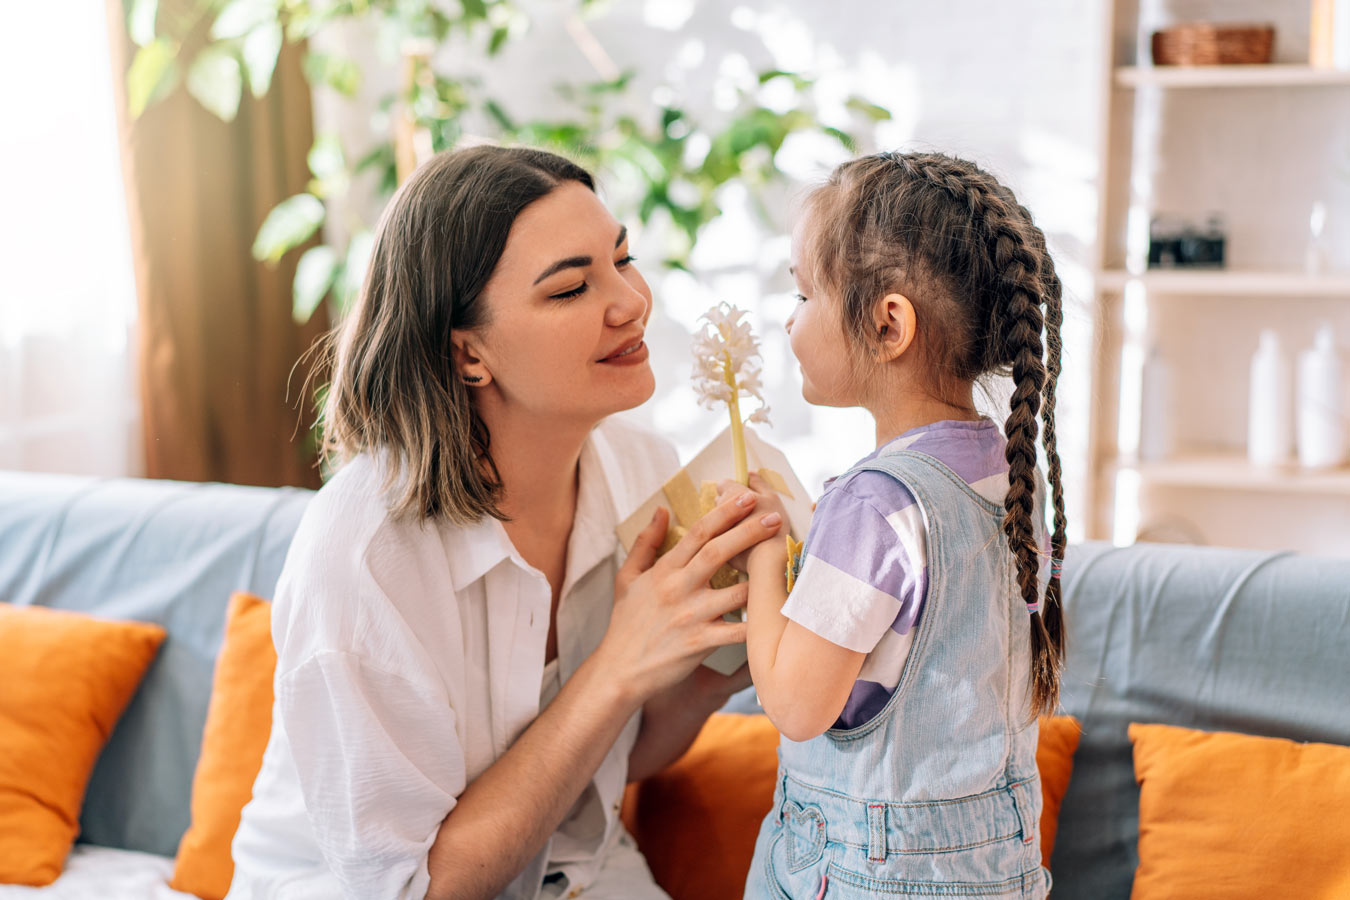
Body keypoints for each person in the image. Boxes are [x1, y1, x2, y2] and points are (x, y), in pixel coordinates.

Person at [225, 145, 782, 900]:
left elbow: (615, 757)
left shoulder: (643, 470)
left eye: (623, 259)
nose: (630, 302)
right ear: (467, 354)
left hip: (577, 873)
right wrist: (619, 663)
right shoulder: (362, 558)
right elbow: (418, 889)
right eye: (571, 289)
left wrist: (718, 664)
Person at [734, 151, 1068, 899]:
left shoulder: (875, 504)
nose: (790, 321)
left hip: (867, 873)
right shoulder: (1004, 475)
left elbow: (794, 705)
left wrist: (764, 560)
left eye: (803, 294)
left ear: (888, 324)